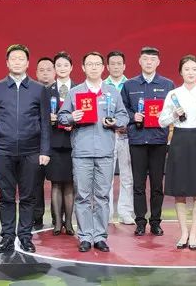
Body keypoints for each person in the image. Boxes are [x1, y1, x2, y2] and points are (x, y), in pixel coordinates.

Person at [58, 52, 130, 253]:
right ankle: (85, 236)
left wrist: (115, 122)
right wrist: (71, 117)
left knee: (102, 196)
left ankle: (100, 236)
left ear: (103, 67)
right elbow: (62, 117)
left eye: (97, 64)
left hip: (105, 151)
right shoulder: (75, 93)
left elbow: (124, 116)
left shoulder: (112, 92)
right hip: (82, 151)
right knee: (82, 195)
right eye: (89, 64)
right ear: (83, 67)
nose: (94, 67)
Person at [0, 44, 51, 254]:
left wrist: (45, 151)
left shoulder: (39, 89)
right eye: (13, 59)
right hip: (3, 150)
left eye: (21, 59)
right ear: (7, 62)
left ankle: (25, 236)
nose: (17, 62)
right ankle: (7, 236)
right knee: (6, 196)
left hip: (31, 151)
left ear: (28, 63)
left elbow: (45, 122)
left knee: (29, 196)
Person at [159, 55, 196, 250]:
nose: (190, 72)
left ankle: (194, 234)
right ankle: (183, 232)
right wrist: (174, 115)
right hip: (179, 140)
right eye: (187, 69)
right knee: (179, 190)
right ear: (180, 72)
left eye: (194, 69)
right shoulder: (173, 94)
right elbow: (161, 121)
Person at [120, 47, 174, 237]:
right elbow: (122, 109)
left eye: (152, 59)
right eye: (145, 59)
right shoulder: (129, 85)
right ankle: (140, 222)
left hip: (158, 140)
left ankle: (156, 222)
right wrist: (132, 116)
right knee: (138, 184)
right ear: (139, 61)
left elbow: (173, 109)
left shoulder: (167, 85)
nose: (149, 62)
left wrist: (164, 114)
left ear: (158, 62)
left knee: (157, 184)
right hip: (137, 139)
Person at [46, 51, 77, 236]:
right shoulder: (46, 90)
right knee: (56, 183)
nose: (62, 68)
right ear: (54, 68)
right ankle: (57, 222)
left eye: (66, 65)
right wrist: (47, 118)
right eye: (59, 65)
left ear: (71, 67)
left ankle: (70, 223)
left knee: (71, 184)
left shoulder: (79, 89)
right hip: (54, 142)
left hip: (74, 142)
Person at [104, 51, 135, 225]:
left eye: (119, 64)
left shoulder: (131, 85)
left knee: (127, 176)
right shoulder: (102, 86)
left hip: (126, 135)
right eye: (112, 64)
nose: (116, 67)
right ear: (107, 67)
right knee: (106, 176)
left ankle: (125, 212)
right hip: (107, 136)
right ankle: (106, 212)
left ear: (124, 66)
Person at [32, 56, 56, 228]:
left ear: (55, 72)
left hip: (58, 143)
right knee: (34, 182)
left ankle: (58, 217)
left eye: (49, 70)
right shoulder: (32, 90)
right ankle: (36, 216)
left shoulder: (64, 90)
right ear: (36, 73)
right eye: (41, 70)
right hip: (35, 144)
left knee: (59, 183)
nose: (45, 73)